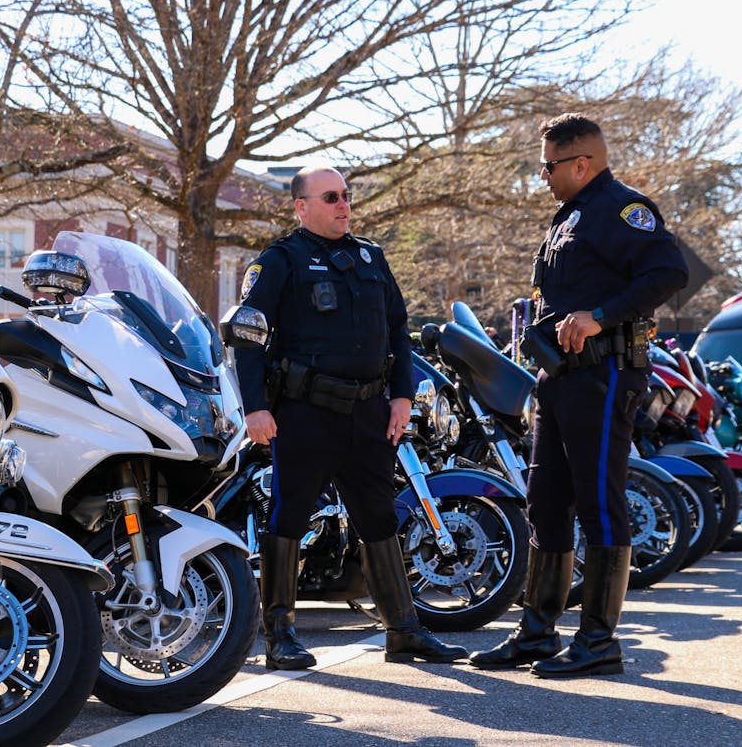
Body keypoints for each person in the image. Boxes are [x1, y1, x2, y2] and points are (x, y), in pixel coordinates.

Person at [470, 113, 688, 678]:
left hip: (605, 372)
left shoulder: (621, 209)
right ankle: (538, 633)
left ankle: (598, 641)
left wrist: (599, 317)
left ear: (581, 163)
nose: (541, 175)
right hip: (560, 378)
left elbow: (669, 272)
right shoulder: (570, 217)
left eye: (548, 165)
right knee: (545, 504)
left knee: (598, 502)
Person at [233, 165, 466, 670]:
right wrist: (256, 406)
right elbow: (247, 336)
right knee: (289, 514)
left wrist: (403, 396)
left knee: (378, 517)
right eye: (332, 196)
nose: (344, 204)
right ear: (301, 206)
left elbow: (398, 329)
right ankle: (280, 635)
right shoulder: (280, 261)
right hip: (304, 412)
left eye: (347, 196)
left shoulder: (371, 257)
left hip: (368, 412)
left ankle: (403, 632)